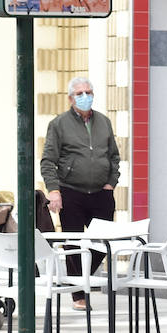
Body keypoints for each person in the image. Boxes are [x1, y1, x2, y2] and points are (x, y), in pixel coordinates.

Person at [41, 76, 120, 310]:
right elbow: (48, 160)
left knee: (103, 241)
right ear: (70, 98)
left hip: (101, 192)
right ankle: (78, 295)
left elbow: (114, 156)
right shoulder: (59, 124)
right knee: (73, 243)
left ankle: (83, 276)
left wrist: (111, 182)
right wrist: (53, 190)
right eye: (80, 93)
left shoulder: (104, 122)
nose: (85, 97)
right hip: (71, 191)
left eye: (88, 92)